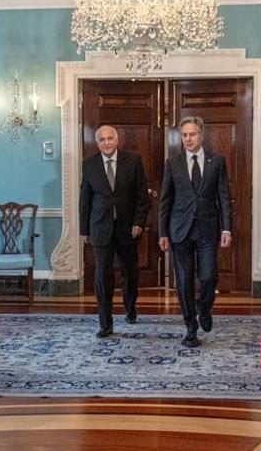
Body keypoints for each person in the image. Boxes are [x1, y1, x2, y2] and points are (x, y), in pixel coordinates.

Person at [158, 116, 232, 348]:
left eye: (192, 134)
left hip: (207, 229)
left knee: (208, 276)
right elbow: (165, 200)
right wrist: (162, 232)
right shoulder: (173, 163)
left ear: (201, 135)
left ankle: (205, 308)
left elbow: (224, 197)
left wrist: (227, 228)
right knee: (183, 280)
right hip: (180, 230)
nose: (188, 139)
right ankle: (190, 327)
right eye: (184, 135)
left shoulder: (216, 161)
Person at [80, 125, 151, 338]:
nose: (107, 142)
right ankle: (105, 323)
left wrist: (139, 222)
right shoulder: (89, 165)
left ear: (117, 140)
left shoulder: (133, 160)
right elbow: (85, 200)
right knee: (103, 275)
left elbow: (142, 196)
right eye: (102, 139)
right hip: (100, 228)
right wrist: (84, 230)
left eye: (110, 138)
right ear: (97, 143)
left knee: (130, 272)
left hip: (128, 228)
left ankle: (130, 308)